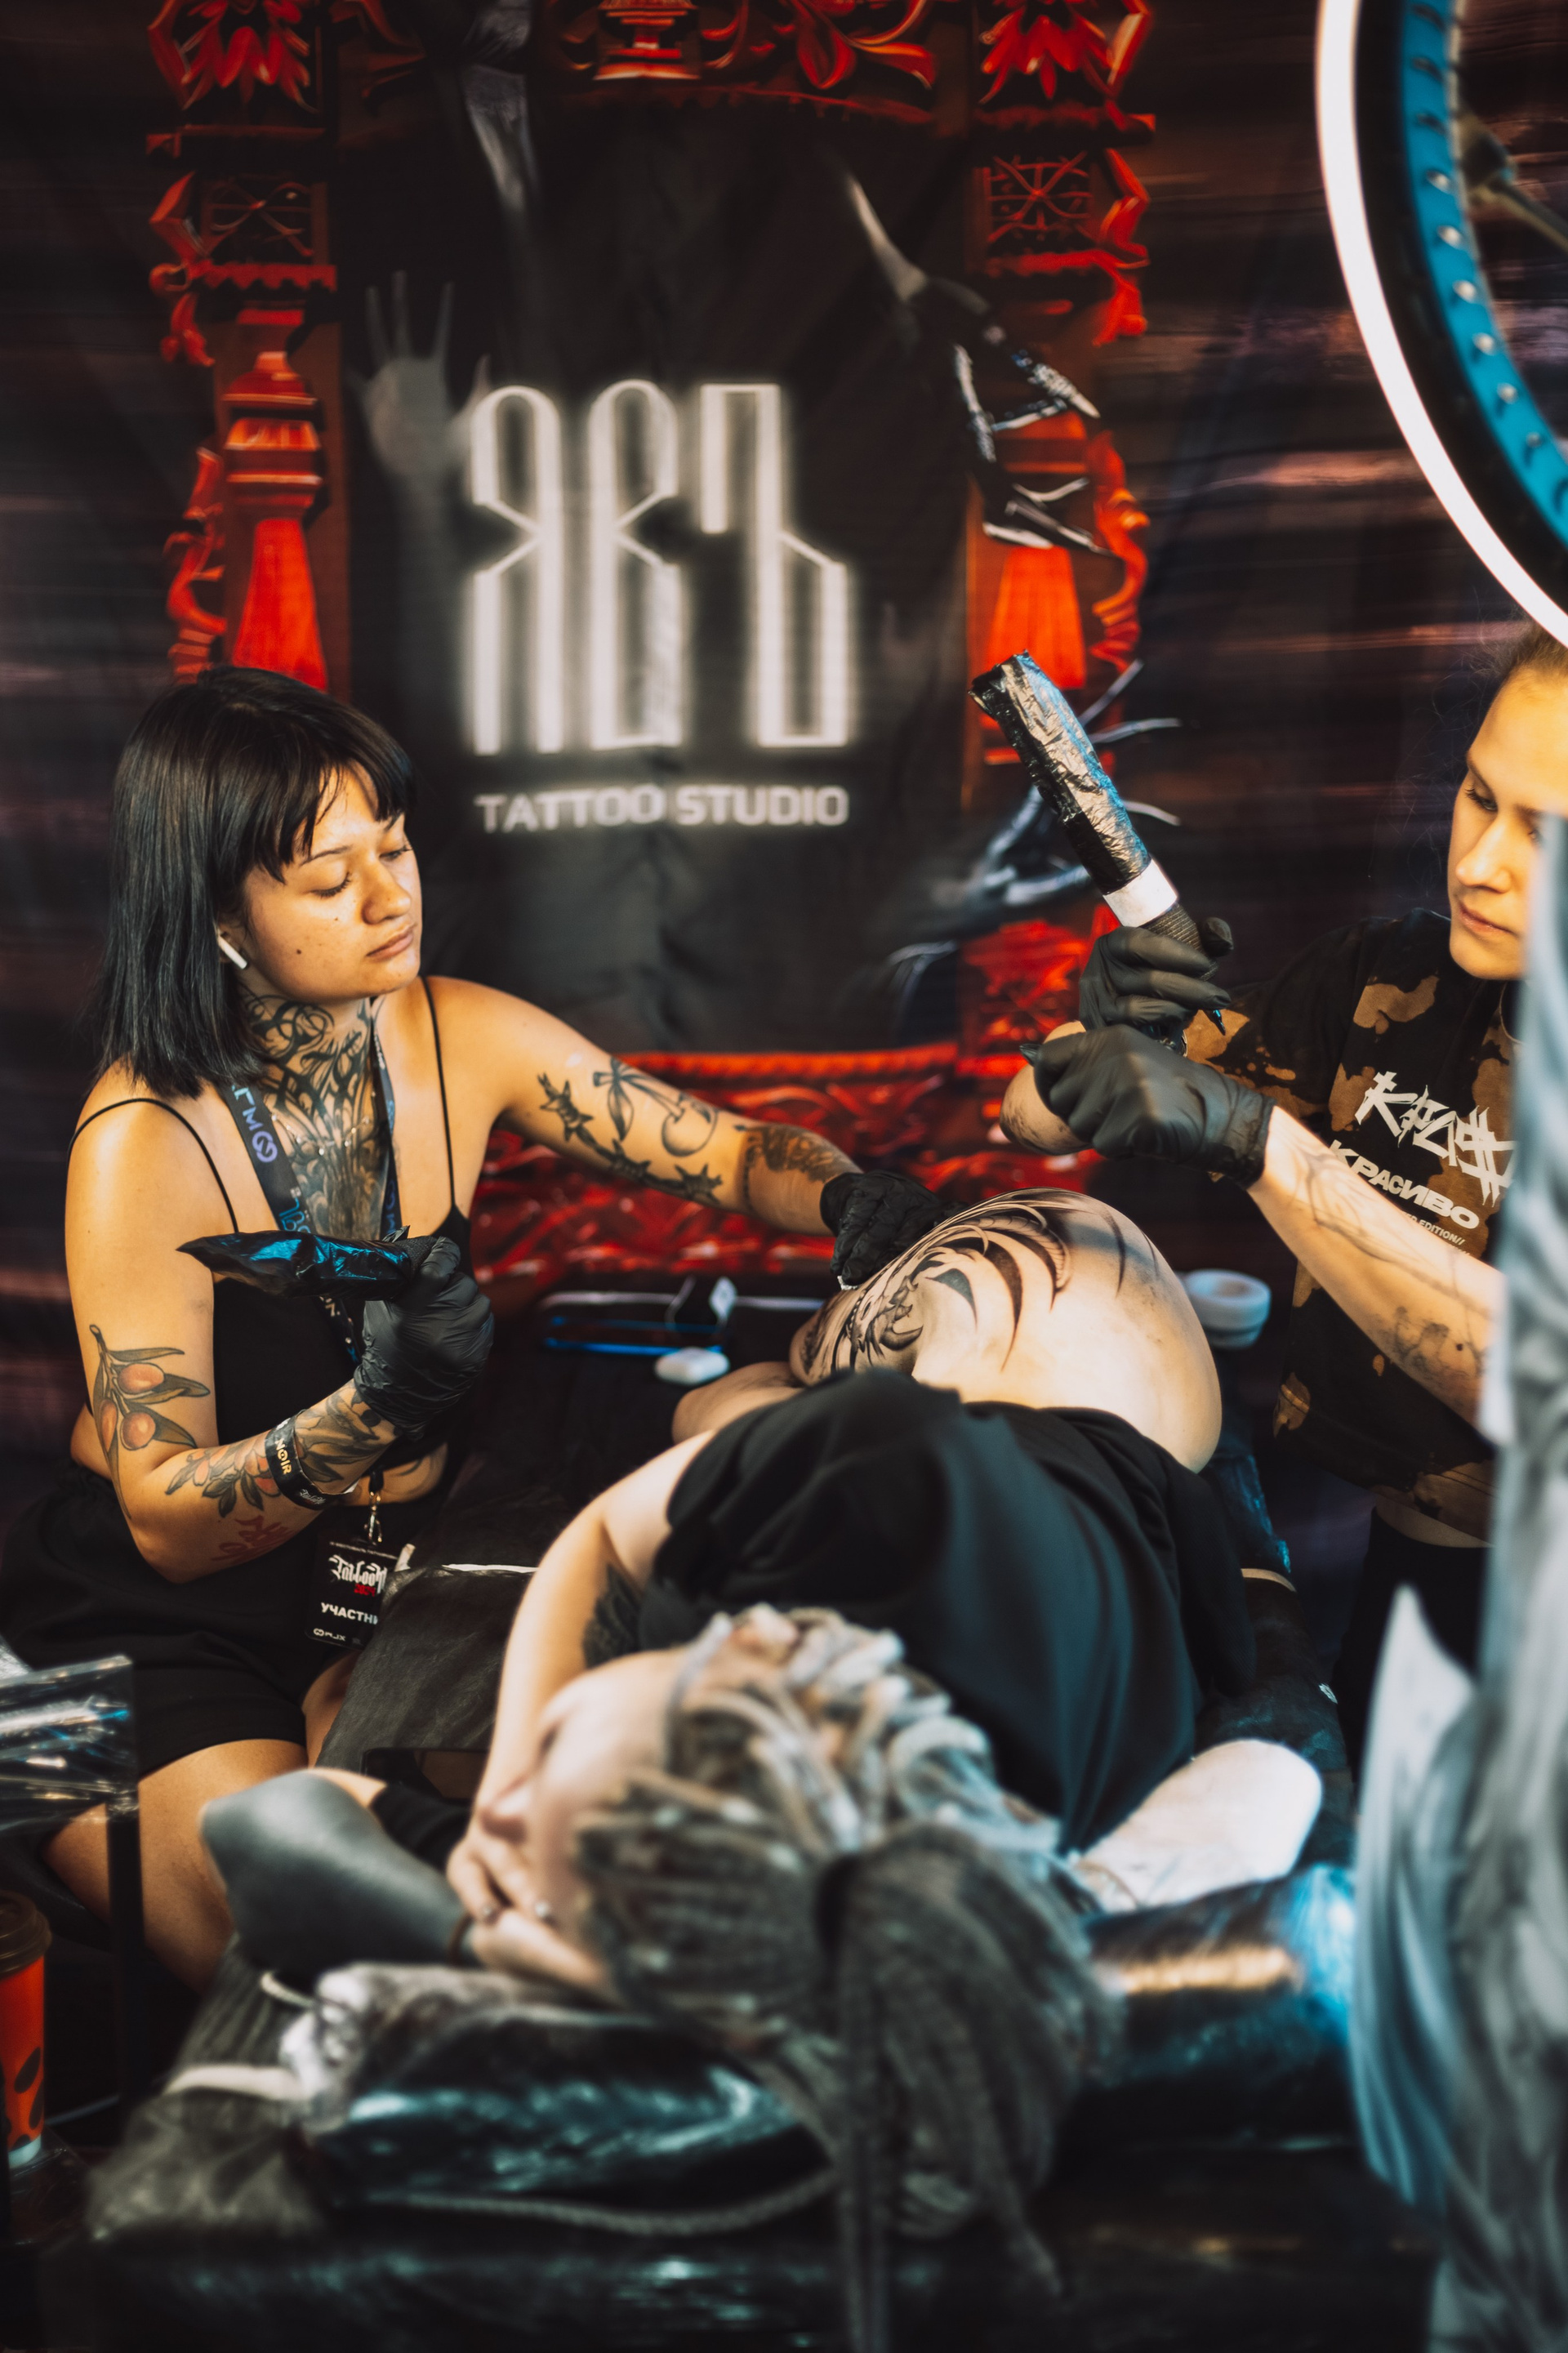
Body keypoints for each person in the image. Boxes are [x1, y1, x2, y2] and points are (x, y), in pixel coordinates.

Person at [0, 666, 943, 1988]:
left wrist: (843, 1192)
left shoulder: (455, 1032)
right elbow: (170, 1524)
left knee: (509, 1853)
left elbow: (727, 1154)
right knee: (297, 1933)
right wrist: (379, 1407)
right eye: (328, 879)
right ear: (219, 913)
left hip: (376, 1574)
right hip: (157, 1622)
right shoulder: (149, 1137)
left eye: (393, 848)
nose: (391, 897)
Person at [206, 1602, 1117, 2353]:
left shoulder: (606, 1880)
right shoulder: (717, 1870)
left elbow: (258, 1824)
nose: (501, 1807)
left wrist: (496, 1951)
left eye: (545, 1750)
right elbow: (267, 1819)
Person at [1006, 623, 1561, 1763]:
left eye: (1546, 835)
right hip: (1414, 1578)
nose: (1478, 864)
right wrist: (1108, 1028)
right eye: (1477, 797)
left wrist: (1265, 1145)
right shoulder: (1388, 981)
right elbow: (1031, 1116)